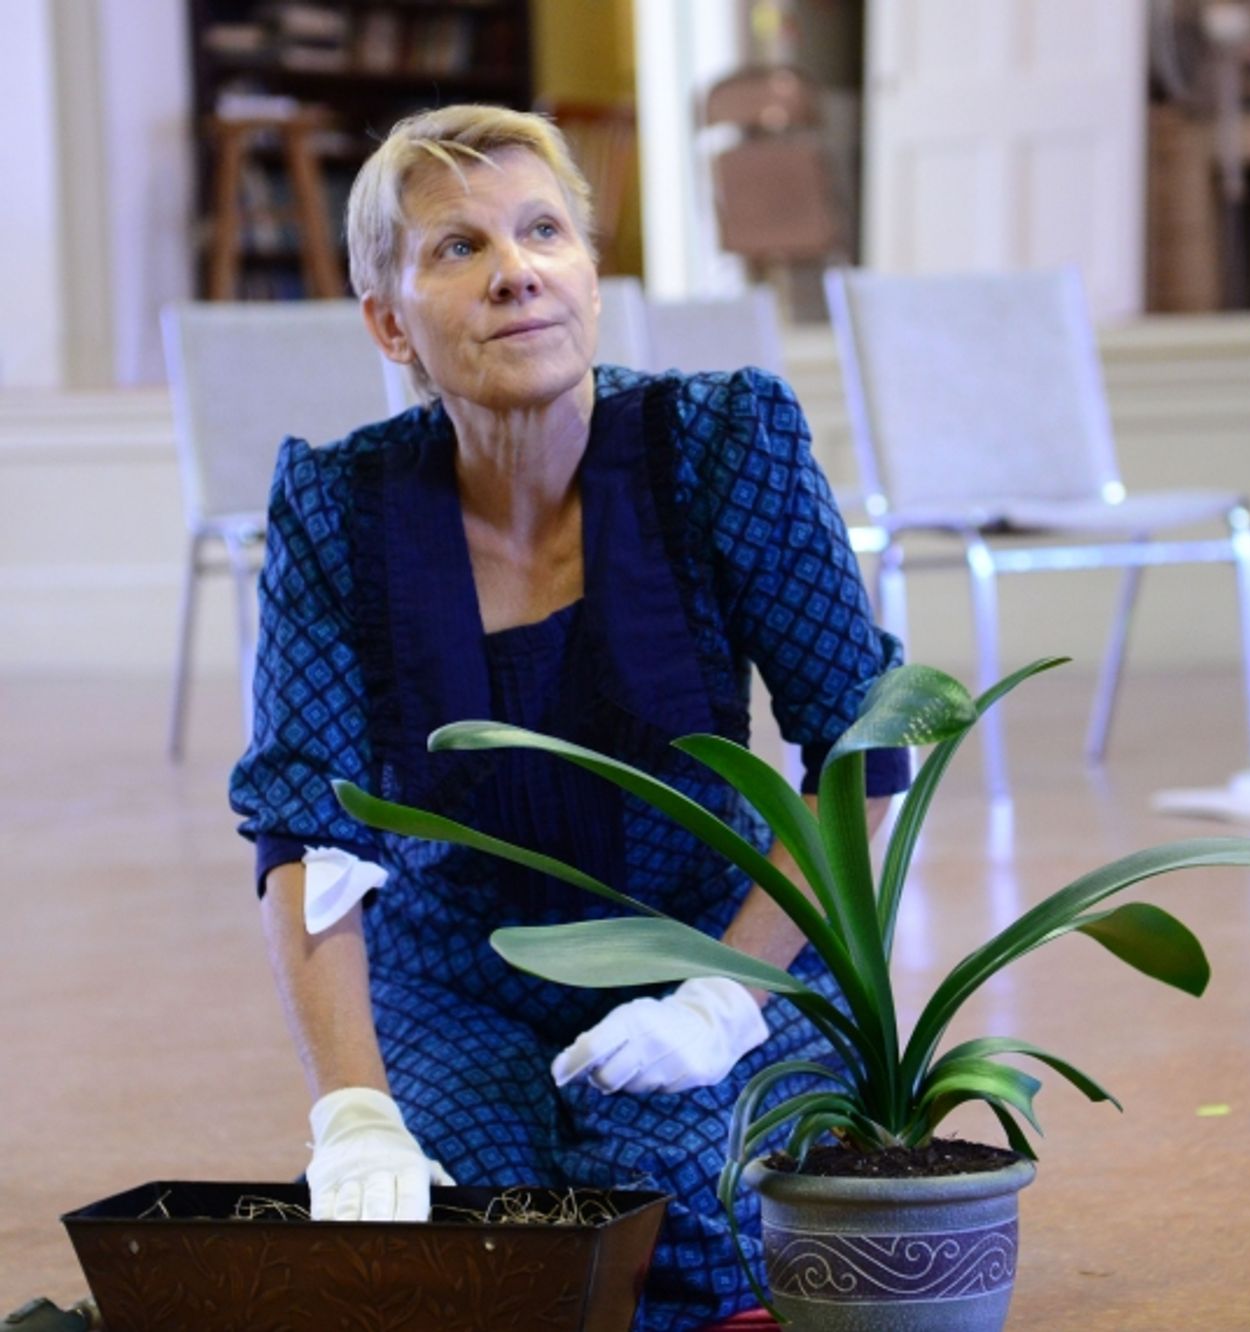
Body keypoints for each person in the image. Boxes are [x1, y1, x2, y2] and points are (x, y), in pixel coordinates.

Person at [230, 104, 908, 1332]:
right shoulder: (336, 510)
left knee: (673, 1204)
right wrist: (354, 1116)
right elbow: (306, 838)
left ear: (591, 279)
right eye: (456, 248)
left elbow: (856, 757)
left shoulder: (720, 448)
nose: (515, 273)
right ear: (390, 325)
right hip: (455, 979)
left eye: (542, 231)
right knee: (465, 1239)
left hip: (707, 949)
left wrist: (718, 1004)